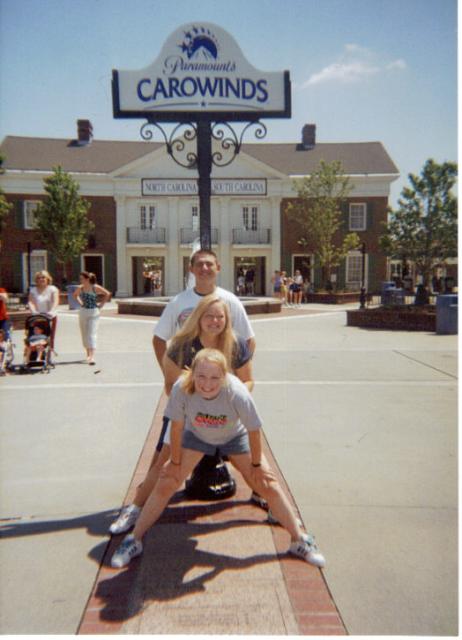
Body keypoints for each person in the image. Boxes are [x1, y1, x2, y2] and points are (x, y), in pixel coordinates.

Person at [110, 349, 325, 569]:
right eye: (201, 376)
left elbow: (254, 429)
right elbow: (176, 427)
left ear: (224, 376)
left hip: (234, 435)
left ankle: (300, 540)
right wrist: (174, 463)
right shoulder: (181, 388)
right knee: (166, 481)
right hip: (197, 435)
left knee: (267, 482)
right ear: (192, 373)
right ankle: (133, 540)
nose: (207, 384)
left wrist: (257, 466)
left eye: (214, 377)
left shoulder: (237, 391)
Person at [109, 293, 254, 535]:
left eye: (220, 317)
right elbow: (170, 385)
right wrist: (191, 409)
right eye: (209, 316)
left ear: (227, 319)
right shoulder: (181, 345)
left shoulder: (235, 343)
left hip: (224, 415)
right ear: (198, 317)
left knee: (253, 463)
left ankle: (265, 497)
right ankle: (135, 509)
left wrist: (232, 400)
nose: (215, 321)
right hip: (187, 415)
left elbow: (248, 380)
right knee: (162, 463)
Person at [73, 271, 111, 365]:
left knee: (92, 333)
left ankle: (92, 356)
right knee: (85, 333)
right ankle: (88, 354)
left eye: (82, 278)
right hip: (83, 311)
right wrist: (81, 303)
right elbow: (75, 295)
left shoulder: (95, 287)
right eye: (80, 278)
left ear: (87, 279)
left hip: (94, 311)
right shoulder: (80, 288)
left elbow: (107, 293)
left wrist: (101, 304)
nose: (80, 280)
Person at [28, 271, 59, 351]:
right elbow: (30, 302)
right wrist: (33, 311)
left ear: (47, 279)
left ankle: (50, 351)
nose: (41, 279)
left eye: (43, 277)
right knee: (37, 335)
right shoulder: (33, 290)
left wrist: (52, 311)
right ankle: (36, 352)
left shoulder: (53, 289)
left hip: (50, 315)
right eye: (39, 278)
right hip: (38, 316)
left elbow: (55, 301)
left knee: (49, 336)